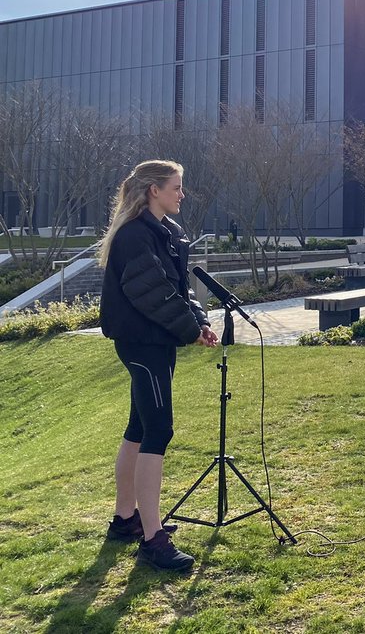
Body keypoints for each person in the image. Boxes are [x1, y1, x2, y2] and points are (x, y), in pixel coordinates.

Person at [98, 160, 218, 572]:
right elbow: (152, 296)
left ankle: (125, 519)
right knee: (158, 431)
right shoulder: (134, 236)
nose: (182, 194)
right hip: (141, 344)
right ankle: (153, 539)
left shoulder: (166, 232)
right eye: (176, 187)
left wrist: (199, 320)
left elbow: (178, 289)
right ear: (154, 191)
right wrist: (191, 329)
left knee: (138, 428)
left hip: (157, 341)